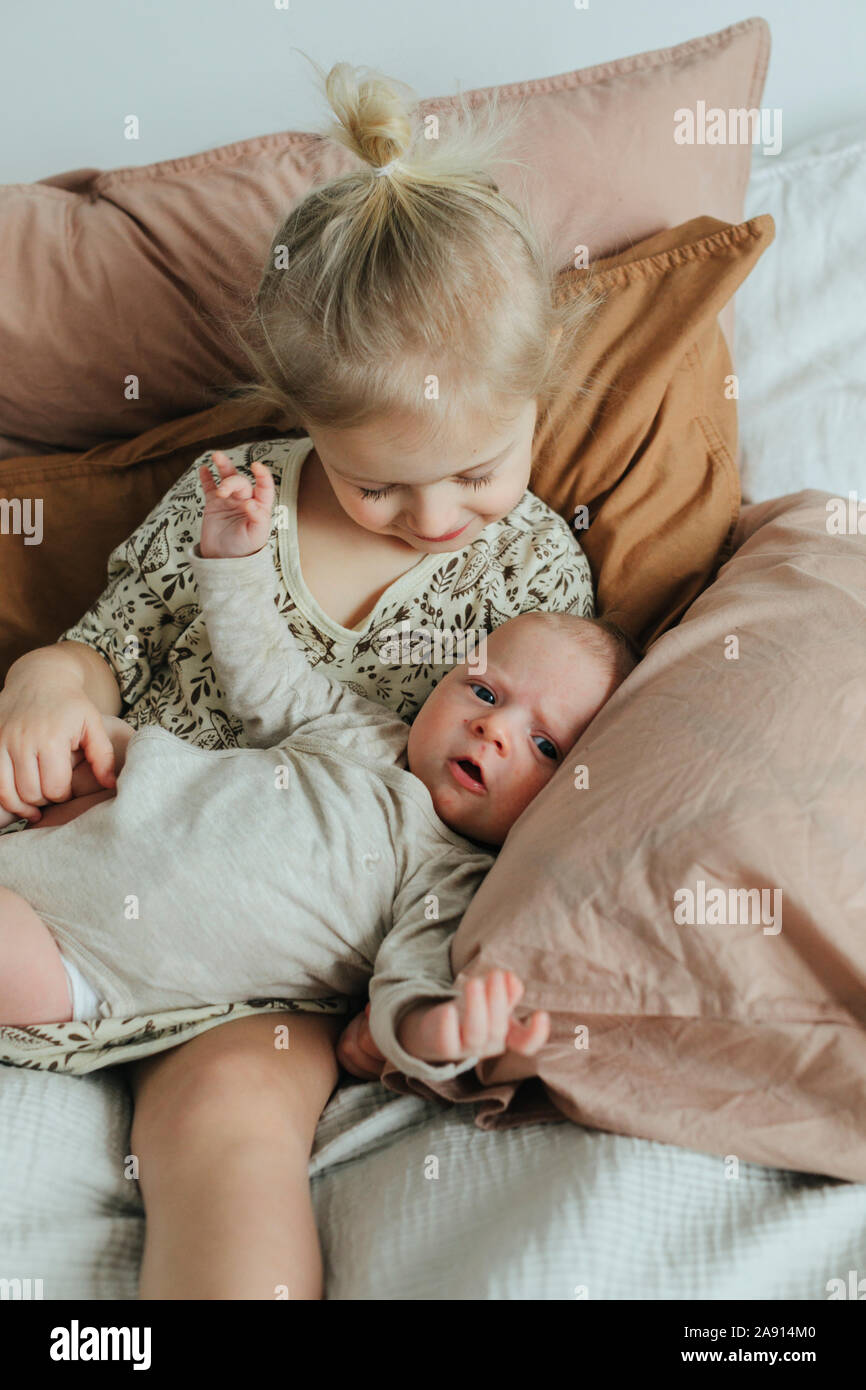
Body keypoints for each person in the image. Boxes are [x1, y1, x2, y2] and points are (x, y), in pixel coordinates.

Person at [0, 58, 604, 1298]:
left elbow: (530, 782)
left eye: (480, 468)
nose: (436, 515)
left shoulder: (535, 570)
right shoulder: (235, 499)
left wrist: (435, 1023)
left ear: (534, 397)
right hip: (100, 841)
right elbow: (107, 639)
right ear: (302, 416)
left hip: (278, 973)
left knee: (228, 1133)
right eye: (379, 483)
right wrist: (50, 684)